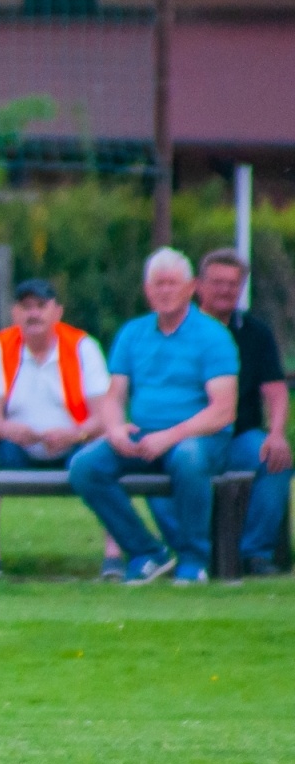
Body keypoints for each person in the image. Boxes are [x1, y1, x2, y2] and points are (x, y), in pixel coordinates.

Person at [68, 248, 239, 585]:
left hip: (198, 439)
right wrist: (115, 428)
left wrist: (169, 436)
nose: (165, 291)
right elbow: (114, 395)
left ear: (191, 287)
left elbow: (223, 410)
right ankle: (146, 552)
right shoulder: (132, 333)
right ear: (147, 291)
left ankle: (193, 560)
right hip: (143, 435)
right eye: (158, 284)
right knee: (85, 466)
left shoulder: (213, 336)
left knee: (188, 457)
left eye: (172, 283)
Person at [0, 279, 124, 580]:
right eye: (26, 307)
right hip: (16, 447)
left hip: (76, 446)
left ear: (57, 312)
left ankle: (113, 555)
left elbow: (103, 415)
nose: (33, 314)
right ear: (14, 313)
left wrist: (74, 434)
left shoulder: (82, 346)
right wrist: (10, 430)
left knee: (107, 443)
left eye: (41, 306)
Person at [149, 249, 288, 575]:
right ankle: (191, 551)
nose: (225, 290)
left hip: (238, 437)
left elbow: (275, 390)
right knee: (158, 463)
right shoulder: (174, 329)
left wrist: (277, 433)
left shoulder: (255, 333)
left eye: (232, 284)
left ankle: (254, 554)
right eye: (217, 282)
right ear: (198, 285)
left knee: (275, 459)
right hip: (183, 436)